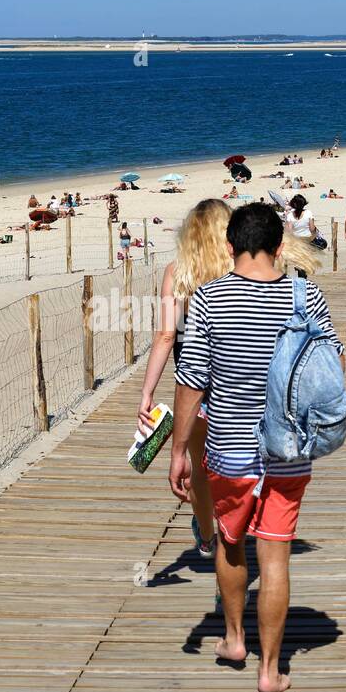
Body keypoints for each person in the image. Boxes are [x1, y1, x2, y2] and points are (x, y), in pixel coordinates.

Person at [170, 203, 343, 692]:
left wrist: (179, 449)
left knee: (230, 541)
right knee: (276, 558)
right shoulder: (306, 294)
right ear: (280, 246)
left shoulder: (207, 298)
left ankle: (233, 639)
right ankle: (271, 671)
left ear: (229, 246)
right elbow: (332, 366)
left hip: (229, 450)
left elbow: (191, 383)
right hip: (288, 449)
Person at [137, 200, 232, 559]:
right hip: (240, 383)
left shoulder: (178, 272)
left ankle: (208, 536)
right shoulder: (242, 267)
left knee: (202, 468)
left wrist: (147, 392)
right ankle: (235, 530)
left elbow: (165, 335)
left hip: (195, 386)